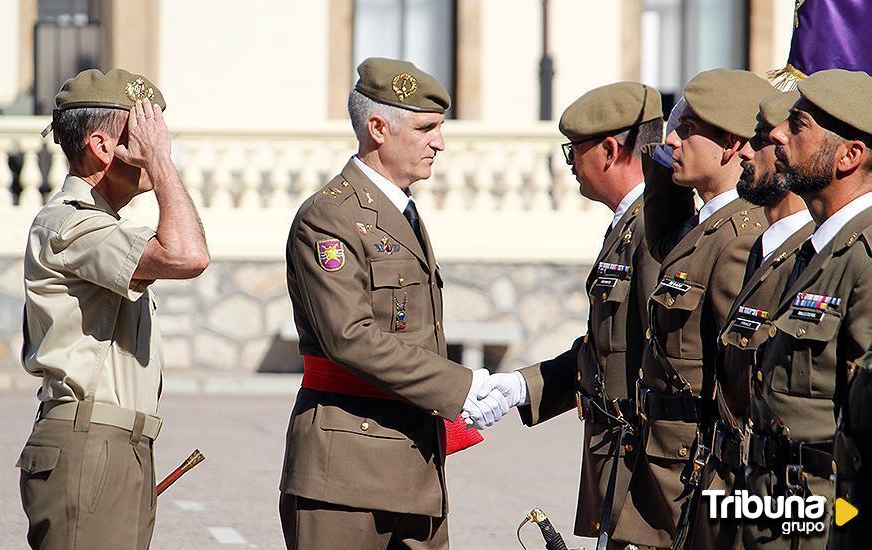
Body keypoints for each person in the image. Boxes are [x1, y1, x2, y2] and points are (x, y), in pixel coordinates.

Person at [278, 57, 508, 550]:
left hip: (416, 463)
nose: (439, 143)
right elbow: (350, 337)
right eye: (426, 128)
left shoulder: (399, 209)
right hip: (346, 469)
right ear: (378, 128)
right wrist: (461, 387)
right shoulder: (330, 217)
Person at [16, 68, 209, 549]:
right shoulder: (68, 225)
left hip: (118, 448)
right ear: (104, 147)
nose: (158, 143)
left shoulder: (102, 225)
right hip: (89, 447)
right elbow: (189, 256)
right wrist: (162, 166)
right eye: (145, 130)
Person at [475, 81, 672, 548]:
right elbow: (604, 349)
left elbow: (662, 363)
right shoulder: (629, 224)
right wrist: (524, 386)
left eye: (573, 152)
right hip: (617, 468)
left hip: (641, 478)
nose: (570, 165)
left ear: (608, 150)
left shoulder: (651, 229)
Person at [627, 69, 774, 549]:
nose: (671, 139)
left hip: (695, 475)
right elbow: (660, 231)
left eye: (687, 129)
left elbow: (737, 385)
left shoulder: (739, 238)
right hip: (664, 465)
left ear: (732, 145)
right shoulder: (701, 226)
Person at [745, 69, 872, 550]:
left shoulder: (864, 257)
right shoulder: (814, 250)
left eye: (797, 125)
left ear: (849, 155)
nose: (776, 133)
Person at [697, 90, 814, 549]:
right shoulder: (763, 248)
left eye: (761, 139)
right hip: (733, 485)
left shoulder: (807, 255)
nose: (745, 151)